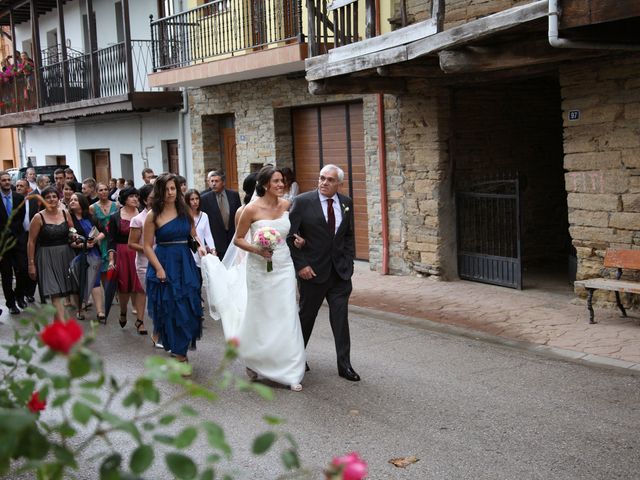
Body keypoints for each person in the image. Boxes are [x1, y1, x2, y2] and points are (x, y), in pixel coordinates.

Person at [208, 166, 305, 391]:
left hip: (283, 266)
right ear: (264, 185)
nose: (281, 185)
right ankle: (254, 359)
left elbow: (291, 233)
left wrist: (299, 240)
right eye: (276, 181)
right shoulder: (249, 210)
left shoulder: (288, 205)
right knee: (261, 315)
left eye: (282, 181)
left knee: (287, 313)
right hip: (259, 268)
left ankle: (290, 370)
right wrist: (257, 249)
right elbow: (238, 240)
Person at [287, 164, 360, 381]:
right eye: (321, 178)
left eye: (329, 180)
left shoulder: (346, 203)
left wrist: (349, 262)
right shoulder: (302, 202)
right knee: (306, 317)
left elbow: (348, 236)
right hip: (312, 272)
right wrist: (301, 266)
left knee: (340, 319)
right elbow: (290, 236)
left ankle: (344, 365)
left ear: (339, 183)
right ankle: (297, 359)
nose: (324, 183)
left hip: (340, 274)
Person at [143, 173, 205, 366]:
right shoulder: (153, 215)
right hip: (164, 262)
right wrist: (159, 268)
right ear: (160, 191)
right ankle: (180, 354)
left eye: (173, 188)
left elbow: (193, 235)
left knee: (189, 306)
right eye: (167, 189)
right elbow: (146, 246)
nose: (171, 192)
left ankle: (181, 348)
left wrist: (201, 247)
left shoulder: (184, 210)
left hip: (185, 263)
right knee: (171, 309)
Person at [27, 186, 76, 321]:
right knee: (55, 294)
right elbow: (31, 242)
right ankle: (63, 328)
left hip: (65, 255)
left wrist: (75, 236)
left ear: (58, 198)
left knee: (62, 292)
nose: (51, 199)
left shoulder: (65, 213)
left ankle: (57, 327)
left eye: (54, 196)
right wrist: (31, 264)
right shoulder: (38, 217)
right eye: (48, 197)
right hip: (46, 257)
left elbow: (72, 229)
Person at [128, 184, 162, 348]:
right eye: (151, 197)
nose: (155, 199)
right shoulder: (138, 219)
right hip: (144, 263)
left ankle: (163, 331)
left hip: (163, 260)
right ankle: (156, 334)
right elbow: (131, 244)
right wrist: (149, 249)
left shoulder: (162, 216)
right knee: (154, 298)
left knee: (164, 299)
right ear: (144, 200)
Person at [107, 187, 145, 333]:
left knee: (140, 287)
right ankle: (123, 311)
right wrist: (111, 260)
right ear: (124, 199)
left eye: (136, 196)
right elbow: (111, 241)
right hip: (122, 253)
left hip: (140, 252)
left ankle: (140, 321)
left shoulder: (143, 214)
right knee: (124, 288)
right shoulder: (115, 217)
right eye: (131, 197)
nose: (135, 199)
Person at [68, 192, 106, 322]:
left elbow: (103, 232)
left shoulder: (90, 217)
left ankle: (100, 312)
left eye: (75, 200)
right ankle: (80, 309)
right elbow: (68, 240)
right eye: (71, 200)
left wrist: (94, 241)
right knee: (80, 282)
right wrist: (81, 245)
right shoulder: (69, 219)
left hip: (94, 253)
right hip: (77, 254)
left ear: (82, 203)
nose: (72, 201)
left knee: (95, 281)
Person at [0, 171, 27, 314]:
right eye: (3, 180)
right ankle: (11, 304)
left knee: (23, 269)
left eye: (8, 179)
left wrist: (14, 231)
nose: (6, 182)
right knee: (6, 275)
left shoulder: (18, 197)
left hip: (17, 240)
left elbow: (21, 218)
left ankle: (19, 295)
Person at [200, 170, 241, 260]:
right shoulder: (204, 199)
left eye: (216, 181)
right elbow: (202, 222)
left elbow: (239, 216)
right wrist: (206, 243)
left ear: (223, 182)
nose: (214, 184)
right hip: (216, 242)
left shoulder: (234, 195)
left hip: (232, 239)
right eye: (212, 181)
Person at [15, 179, 39, 304]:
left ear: (28, 189)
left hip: (34, 236)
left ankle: (30, 293)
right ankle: (20, 294)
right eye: (17, 185)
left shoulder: (34, 200)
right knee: (23, 267)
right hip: (20, 238)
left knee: (35, 264)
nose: (18, 188)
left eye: (21, 186)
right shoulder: (13, 201)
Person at [90, 182, 118, 280]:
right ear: (97, 192)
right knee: (103, 272)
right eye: (101, 190)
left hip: (113, 239)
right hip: (101, 241)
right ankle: (107, 293)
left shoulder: (116, 205)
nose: (104, 192)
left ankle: (116, 294)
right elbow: (92, 226)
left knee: (116, 269)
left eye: (106, 189)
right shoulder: (92, 208)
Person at [184, 189, 216, 267]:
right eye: (192, 199)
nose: (195, 202)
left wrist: (213, 249)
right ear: (187, 201)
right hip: (187, 250)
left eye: (197, 199)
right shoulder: (183, 216)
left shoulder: (204, 216)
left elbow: (207, 234)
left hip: (200, 249)